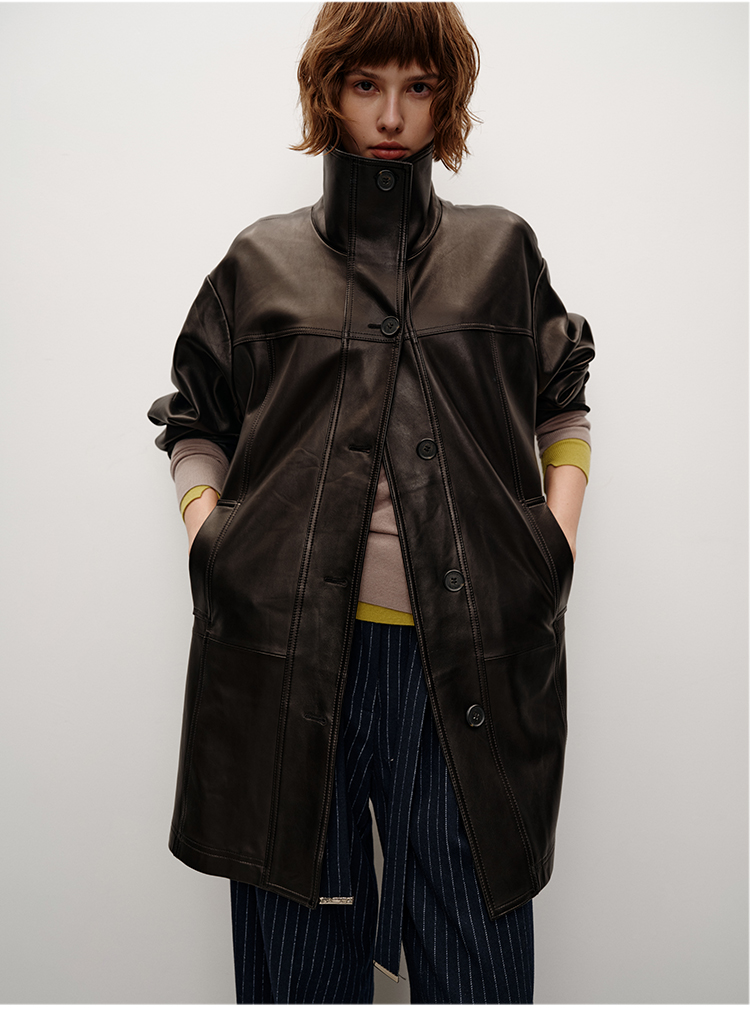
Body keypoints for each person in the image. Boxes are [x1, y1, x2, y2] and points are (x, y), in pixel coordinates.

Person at [148, 1, 594, 1005]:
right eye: (365, 85)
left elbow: (562, 402)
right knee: (301, 972)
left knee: (477, 967)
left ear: (447, 99)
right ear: (329, 92)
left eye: (418, 87)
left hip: (468, 662)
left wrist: (552, 544)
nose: (391, 115)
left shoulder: (500, 251)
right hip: (290, 664)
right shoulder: (260, 261)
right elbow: (194, 419)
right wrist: (213, 540)